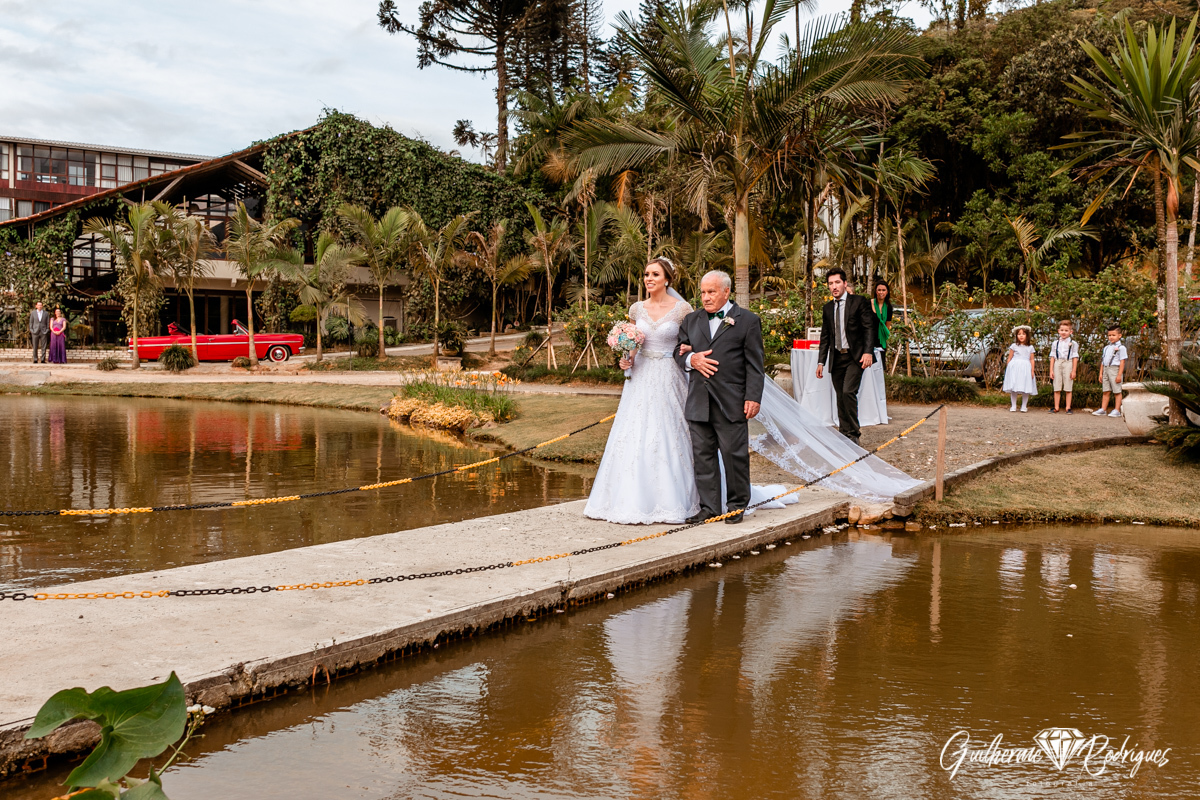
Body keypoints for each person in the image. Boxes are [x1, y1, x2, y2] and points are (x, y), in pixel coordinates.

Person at [675, 270, 765, 525]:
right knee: (703, 456)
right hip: (699, 400)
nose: (705, 297)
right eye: (703, 292)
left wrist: (753, 397)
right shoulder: (691, 320)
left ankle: (736, 506)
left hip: (732, 401)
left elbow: (755, 365)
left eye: (711, 292)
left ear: (726, 292)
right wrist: (692, 359)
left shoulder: (747, 320)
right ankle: (709, 507)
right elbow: (678, 352)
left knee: (734, 456)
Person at [816, 268, 877, 445]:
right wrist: (821, 361)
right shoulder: (827, 308)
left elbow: (868, 328)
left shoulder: (858, 302)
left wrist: (868, 352)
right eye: (830, 283)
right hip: (836, 359)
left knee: (848, 391)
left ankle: (854, 434)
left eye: (837, 282)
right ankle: (844, 433)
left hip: (855, 356)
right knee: (840, 396)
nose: (834, 287)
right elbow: (825, 336)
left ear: (844, 283)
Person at [1093, 324, 1127, 418]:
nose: (1111, 337)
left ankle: (1117, 410)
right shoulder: (1106, 347)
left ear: (1119, 335)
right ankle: (1103, 409)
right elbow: (1103, 361)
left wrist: (1119, 375)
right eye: (1109, 335)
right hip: (1106, 369)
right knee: (1106, 390)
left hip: (1115, 369)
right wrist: (1101, 373)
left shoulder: (1121, 348)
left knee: (1117, 390)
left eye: (1113, 335)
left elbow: (1122, 361)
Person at [1003, 325, 1038, 412]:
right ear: (1016, 336)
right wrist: (1008, 368)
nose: (1021, 336)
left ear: (1027, 335)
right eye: (1019, 334)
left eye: (1023, 334)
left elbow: (1032, 359)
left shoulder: (1030, 347)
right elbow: (1009, 358)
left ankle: (1024, 406)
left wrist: (1032, 370)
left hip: (1026, 367)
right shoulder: (1014, 346)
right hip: (1015, 367)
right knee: (1014, 385)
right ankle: (1013, 405)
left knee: (1025, 386)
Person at [1048, 319, 1079, 414]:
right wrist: (1051, 370)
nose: (1064, 332)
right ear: (1058, 331)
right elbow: (1052, 356)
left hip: (1068, 363)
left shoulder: (1073, 343)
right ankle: (1056, 407)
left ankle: (1068, 407)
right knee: (1057, 385)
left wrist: (1074, 370)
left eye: (1066, 330)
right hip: (1058, 362)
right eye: (1062, 330)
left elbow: (1075, 357)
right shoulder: (1055, 343)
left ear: (1070, 332)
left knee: (1068, 385)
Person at [871, 278, 894, 356]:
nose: (881, 292)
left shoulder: (889, 307)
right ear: (876, 291)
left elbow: (887, 326)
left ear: (887, 292)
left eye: (883, 290)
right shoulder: (869, 304)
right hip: (869, 339)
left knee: (880, 366)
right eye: (879, 290)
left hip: (881, 341)